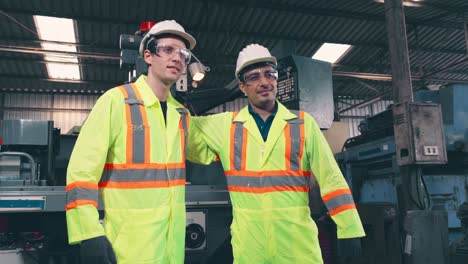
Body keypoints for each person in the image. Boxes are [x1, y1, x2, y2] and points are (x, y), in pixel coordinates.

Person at [187, 44, 365, 263]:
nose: (264, 82)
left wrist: (350, 230)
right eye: (254, 77)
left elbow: (331, 178)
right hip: (251, 250)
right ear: (242, 87)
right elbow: (179, 127)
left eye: (269, 74)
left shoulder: (302, 124)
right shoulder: (226, 127)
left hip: (297, 249)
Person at [65, 20, 196, 264]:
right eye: (168, 50)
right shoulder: (115, 101)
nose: (177, 58)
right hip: (128, 252)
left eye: (183, 53)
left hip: (171, 251)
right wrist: (89, 233)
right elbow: (81, 172)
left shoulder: (182, 115)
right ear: (148, 55)